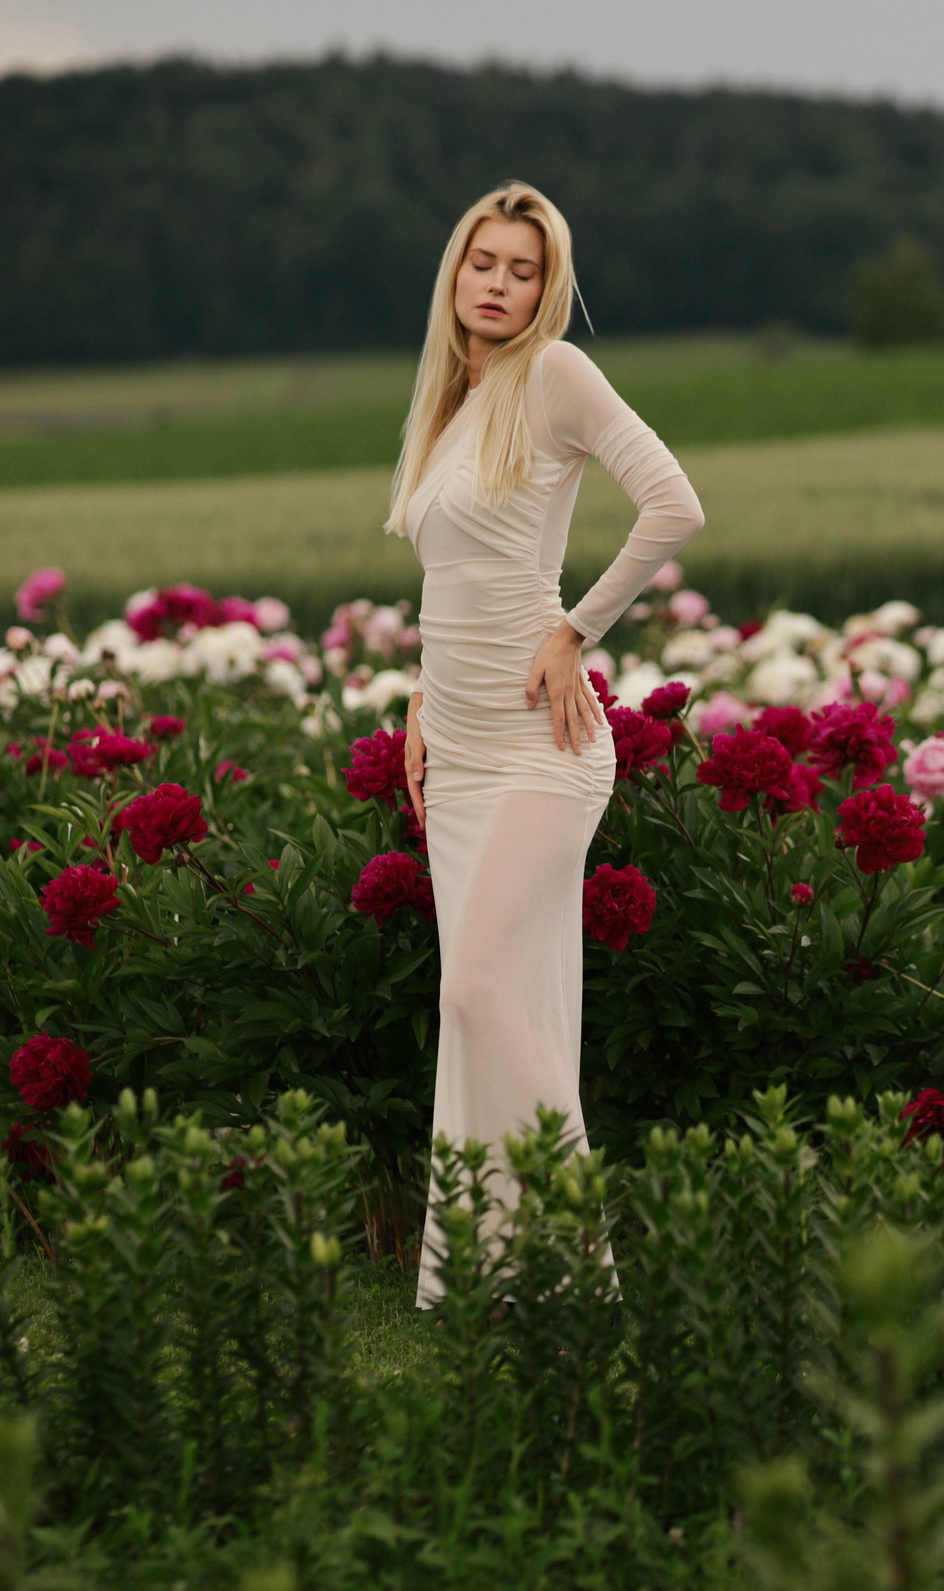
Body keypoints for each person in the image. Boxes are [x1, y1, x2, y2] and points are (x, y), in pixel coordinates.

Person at [383, 181, 705, 1308]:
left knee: (475, 993)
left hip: (540, 746)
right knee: (496, 1005)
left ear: (547, 285)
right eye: (485, 262)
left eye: (524, 269)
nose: (501, 284)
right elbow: (447, 583)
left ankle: (585, 1266)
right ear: (456, 271)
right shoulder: (448, 400)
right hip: (459, 749)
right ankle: (500, 1281)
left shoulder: (555, 376)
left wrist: (575, 631)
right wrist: (421, 707)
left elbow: (673, 504)